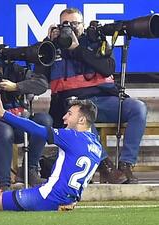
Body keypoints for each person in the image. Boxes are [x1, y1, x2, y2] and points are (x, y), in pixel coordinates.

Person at [35, 8, 147, 184]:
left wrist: (78, 49)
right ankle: (106, 168)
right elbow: (39, 76)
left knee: (138, 108)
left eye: (75, 24)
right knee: (82, 116)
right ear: (58, 25)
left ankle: (126, 165)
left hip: (105, 99)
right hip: (72, 105)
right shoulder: (51, 47)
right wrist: (48, 43)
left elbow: (108, 68)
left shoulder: (95, 41)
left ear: (83, 25)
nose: (71, 28)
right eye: (66, 24)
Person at [0, 49, 53, 191]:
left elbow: (42, 84)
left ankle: (29, 170)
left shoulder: (12, 71)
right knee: (4, 130)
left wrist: (16, 86)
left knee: (44, 120)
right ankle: (3, 184)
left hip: (17, 122)